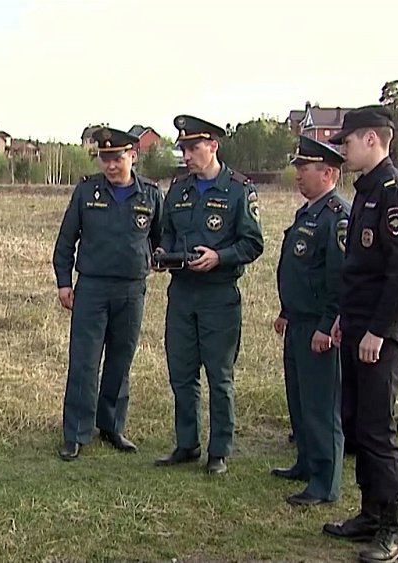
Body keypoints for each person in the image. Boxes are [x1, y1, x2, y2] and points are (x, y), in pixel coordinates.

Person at [321, 106, 398, 563]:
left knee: (380, 428)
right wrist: (345, 318)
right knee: (358, 423)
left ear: (370, 139)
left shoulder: (394, 194)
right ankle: (370, 512)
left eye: (346, 142)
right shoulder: (366, 192)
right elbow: (359, 269)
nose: (342, 150)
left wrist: (378, 331)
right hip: (357, 326)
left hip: (381, 335)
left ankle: (394, 528)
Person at [154, 114, 264, 475]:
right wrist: (163, 254)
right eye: (183, 149)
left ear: (213, 146)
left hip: (219, 295)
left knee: (219, 377)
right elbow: (167, 232)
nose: (186, 156)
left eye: (193, 148)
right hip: (182, 294)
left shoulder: (239, 189)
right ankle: (187, 444)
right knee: (181, 373)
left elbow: (253, 243)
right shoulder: (178, 189)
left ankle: (219, 450)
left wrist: (220, 257)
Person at [52, 126, 164, 461]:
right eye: (105, 158)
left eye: (117, 158)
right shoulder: (87, 191)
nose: (111, 165)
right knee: (84, 362)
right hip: (92, 289)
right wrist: (63, 282)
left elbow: (161, 239)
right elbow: (66, 240)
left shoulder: (150, 195)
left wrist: (158, 259)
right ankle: (76, 433)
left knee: (120, 360)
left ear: (133, 156)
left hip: (131, 290)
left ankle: (112, 426)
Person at [271, 136, 349, 506]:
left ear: (328, 173)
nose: (298, 176)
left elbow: (340, 278)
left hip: (319, 326)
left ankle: (325, 482)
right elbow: (301, 270)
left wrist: (327, 324)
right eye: (298, 168)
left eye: (305, 169)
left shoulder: (337, 216)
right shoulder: (308, 212)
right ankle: (305, 462)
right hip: (298, 321)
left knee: (320, 406)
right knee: (300, 400)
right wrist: (286, 310)